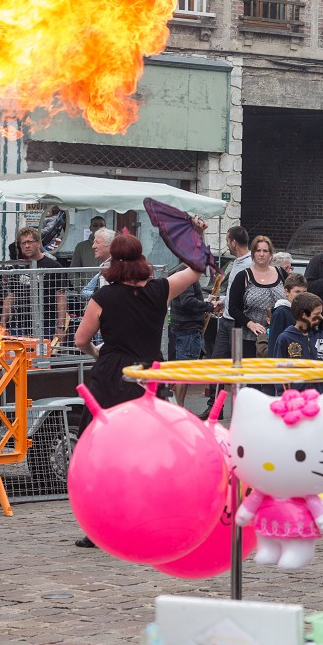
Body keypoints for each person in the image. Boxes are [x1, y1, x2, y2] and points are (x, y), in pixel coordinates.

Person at [73, 226, 205, 546]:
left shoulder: (104, 295)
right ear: (142, 258)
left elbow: (80, 340)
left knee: (104, 450)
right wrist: (194, 236)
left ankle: (102, 526)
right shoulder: (160, 290)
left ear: (114, 262)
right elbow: (198, 268)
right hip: (147, 373)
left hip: (112, 374)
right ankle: (150, 519)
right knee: (148, 449)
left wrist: (98, 353)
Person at [0, 226, 69, 340]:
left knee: (43, 357)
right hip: (19, 324)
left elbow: (60, 297)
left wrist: (60, 326)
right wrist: (3, 322)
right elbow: (10, 297)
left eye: (29, 242)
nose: (26, 246)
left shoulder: (53, 266)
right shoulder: (17, 267)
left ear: (38, 243)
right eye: (23, 243)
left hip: (45, 324)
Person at [229, 235, 286, 358]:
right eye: (258, 250)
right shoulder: (243, 277)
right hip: (246, 337)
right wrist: (250, 324)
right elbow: (233, 308)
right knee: (246, 374)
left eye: (265, 251)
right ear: (253, 253)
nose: (261, 254)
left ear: (270, 254)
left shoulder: (281, 273)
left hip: (277, 336)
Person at [168, 272, 212, 407]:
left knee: (181, 369)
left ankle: (177, 405)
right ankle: (179, 407)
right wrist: (209, 306)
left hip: (183, 329)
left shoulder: (181, 274)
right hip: (188, 330)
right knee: (184, 370)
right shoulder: (187, 277)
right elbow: (187, 301)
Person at [210, 225, 252, 358]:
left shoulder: (250, 265)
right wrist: (223, 301)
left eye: (227, 241)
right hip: (226, 321)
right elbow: (233, 292)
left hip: (237, 323)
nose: (226, 245)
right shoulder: (237, 262)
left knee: (236, 362)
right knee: (216, 361)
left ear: (234, 243)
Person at [271, 292, 323, 360]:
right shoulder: (285, 338)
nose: (321, 317)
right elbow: (278, 366)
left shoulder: (320, 336)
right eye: (317, 314)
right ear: (303, 315)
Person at [267, 274, 309, 348]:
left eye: (304, 292)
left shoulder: (306, 312)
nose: (301, 295)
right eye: (297, 292)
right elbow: (274, 342)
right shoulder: (280, 312)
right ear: (287, 292)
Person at [80, 227, 116, 302]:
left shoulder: (117, 267)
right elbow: (84, 292)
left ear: (110, 246)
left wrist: (98, 295)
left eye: (97, 242)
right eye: (94, 242)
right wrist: (98, 294)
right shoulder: (103, 267)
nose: (93, 246)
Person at [71, 216, 108, 288]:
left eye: (101, 225)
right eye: (95, 225)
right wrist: (81, 288)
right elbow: (72, 271)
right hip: (86, 294)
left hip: (107, 292)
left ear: (105, 228)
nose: (98, 228)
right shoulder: (81, 247)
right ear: (90, 228)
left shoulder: (112, 246)